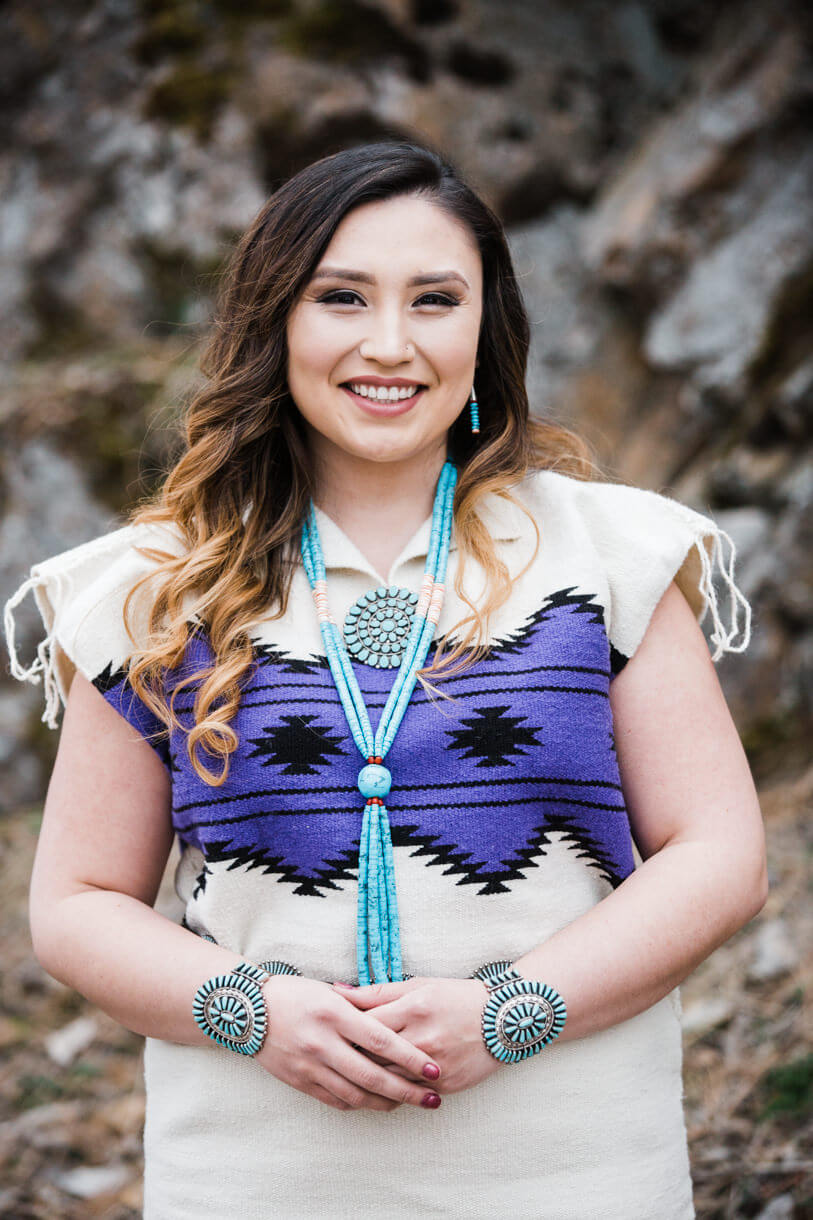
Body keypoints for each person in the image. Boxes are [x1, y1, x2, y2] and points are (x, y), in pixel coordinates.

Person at [3, 140, 767, 1220]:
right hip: (254, 1183)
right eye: (343, 297)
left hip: (578, 1175)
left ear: (484, 328)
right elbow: (77, 905)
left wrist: (513, 1009)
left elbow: (722, 854)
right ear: (276, 321)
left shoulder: (609, 555)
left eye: (435, 299)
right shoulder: (154, 588)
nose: (391, 343)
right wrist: (251, 1010)